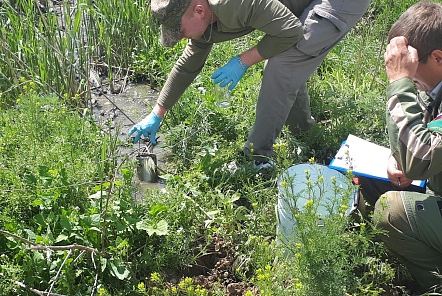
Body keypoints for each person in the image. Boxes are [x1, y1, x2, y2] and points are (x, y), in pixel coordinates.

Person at [128, 0, 370, 167]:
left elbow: (290, 32)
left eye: (178, 30)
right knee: (286, 63)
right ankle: (305, 133)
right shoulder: (203, 17)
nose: (179, 37)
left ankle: (256, 158)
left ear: (199, 11)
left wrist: (243, 61)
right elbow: (189, 62)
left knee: (281, 65)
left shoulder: (231, 3)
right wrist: (157, 112)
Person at [358, 2, 442, 294]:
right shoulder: (434, 85)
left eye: (410, 62)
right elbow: (421, 134)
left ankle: (436, 284)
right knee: (368, 180)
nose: (403, 70)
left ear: (437, 58)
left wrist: (399, 83)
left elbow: (419, 159)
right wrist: (399, 159)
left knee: (390, 210)